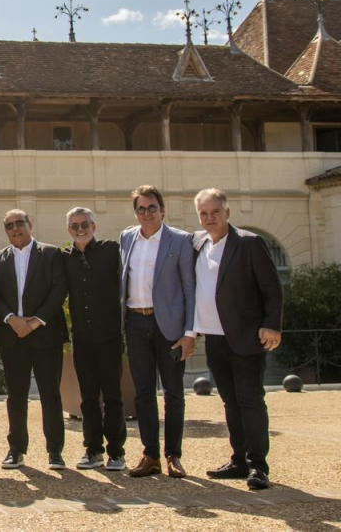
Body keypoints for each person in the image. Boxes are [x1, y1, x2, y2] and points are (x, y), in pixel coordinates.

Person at [192, 188, 283, 490]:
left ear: (227, 212)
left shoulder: (249, 243)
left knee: (250, 401)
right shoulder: (199, 243)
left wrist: (272, 324)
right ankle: (239, 460)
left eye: (215, 211)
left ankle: (259, 466)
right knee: (230, 402)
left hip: (245, 336)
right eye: (203, 213)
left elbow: (271, 287)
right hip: (215, 338)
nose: (209, 218)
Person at [120, 184, 196, 478]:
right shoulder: (126, 237)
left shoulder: (180, 240)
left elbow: (190, 288)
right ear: (135, 212)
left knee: (174, 393)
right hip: (135, 324)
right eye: (141, 208)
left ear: (162, 210)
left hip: (171, 328)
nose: (147, 213)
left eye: (152, 207)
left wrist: (190, 333)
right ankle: (150, 455)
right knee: (143, 393)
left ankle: (173, 456)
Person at [0, 209, 69, 470]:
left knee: (50, 394)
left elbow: (59, 289)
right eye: (9, 225)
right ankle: (16, 450)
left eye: (19, 223)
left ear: (29, 224)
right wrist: (12, 319)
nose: (15, 228)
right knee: (15, 395)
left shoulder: (50, 253)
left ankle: (55, 452)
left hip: (45, 335)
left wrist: (35, 321)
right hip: (12, 336)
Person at [62, 207, 127, 472]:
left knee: (112, 396)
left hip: (110, 337)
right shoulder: (64, 259)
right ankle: (93, 450)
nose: (80, 229)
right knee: (88, 397)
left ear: (94, 226)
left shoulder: (112, 251)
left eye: (85, 224)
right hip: (83, 339)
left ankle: (116, 453)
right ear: (69, 230)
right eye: (75, 226)